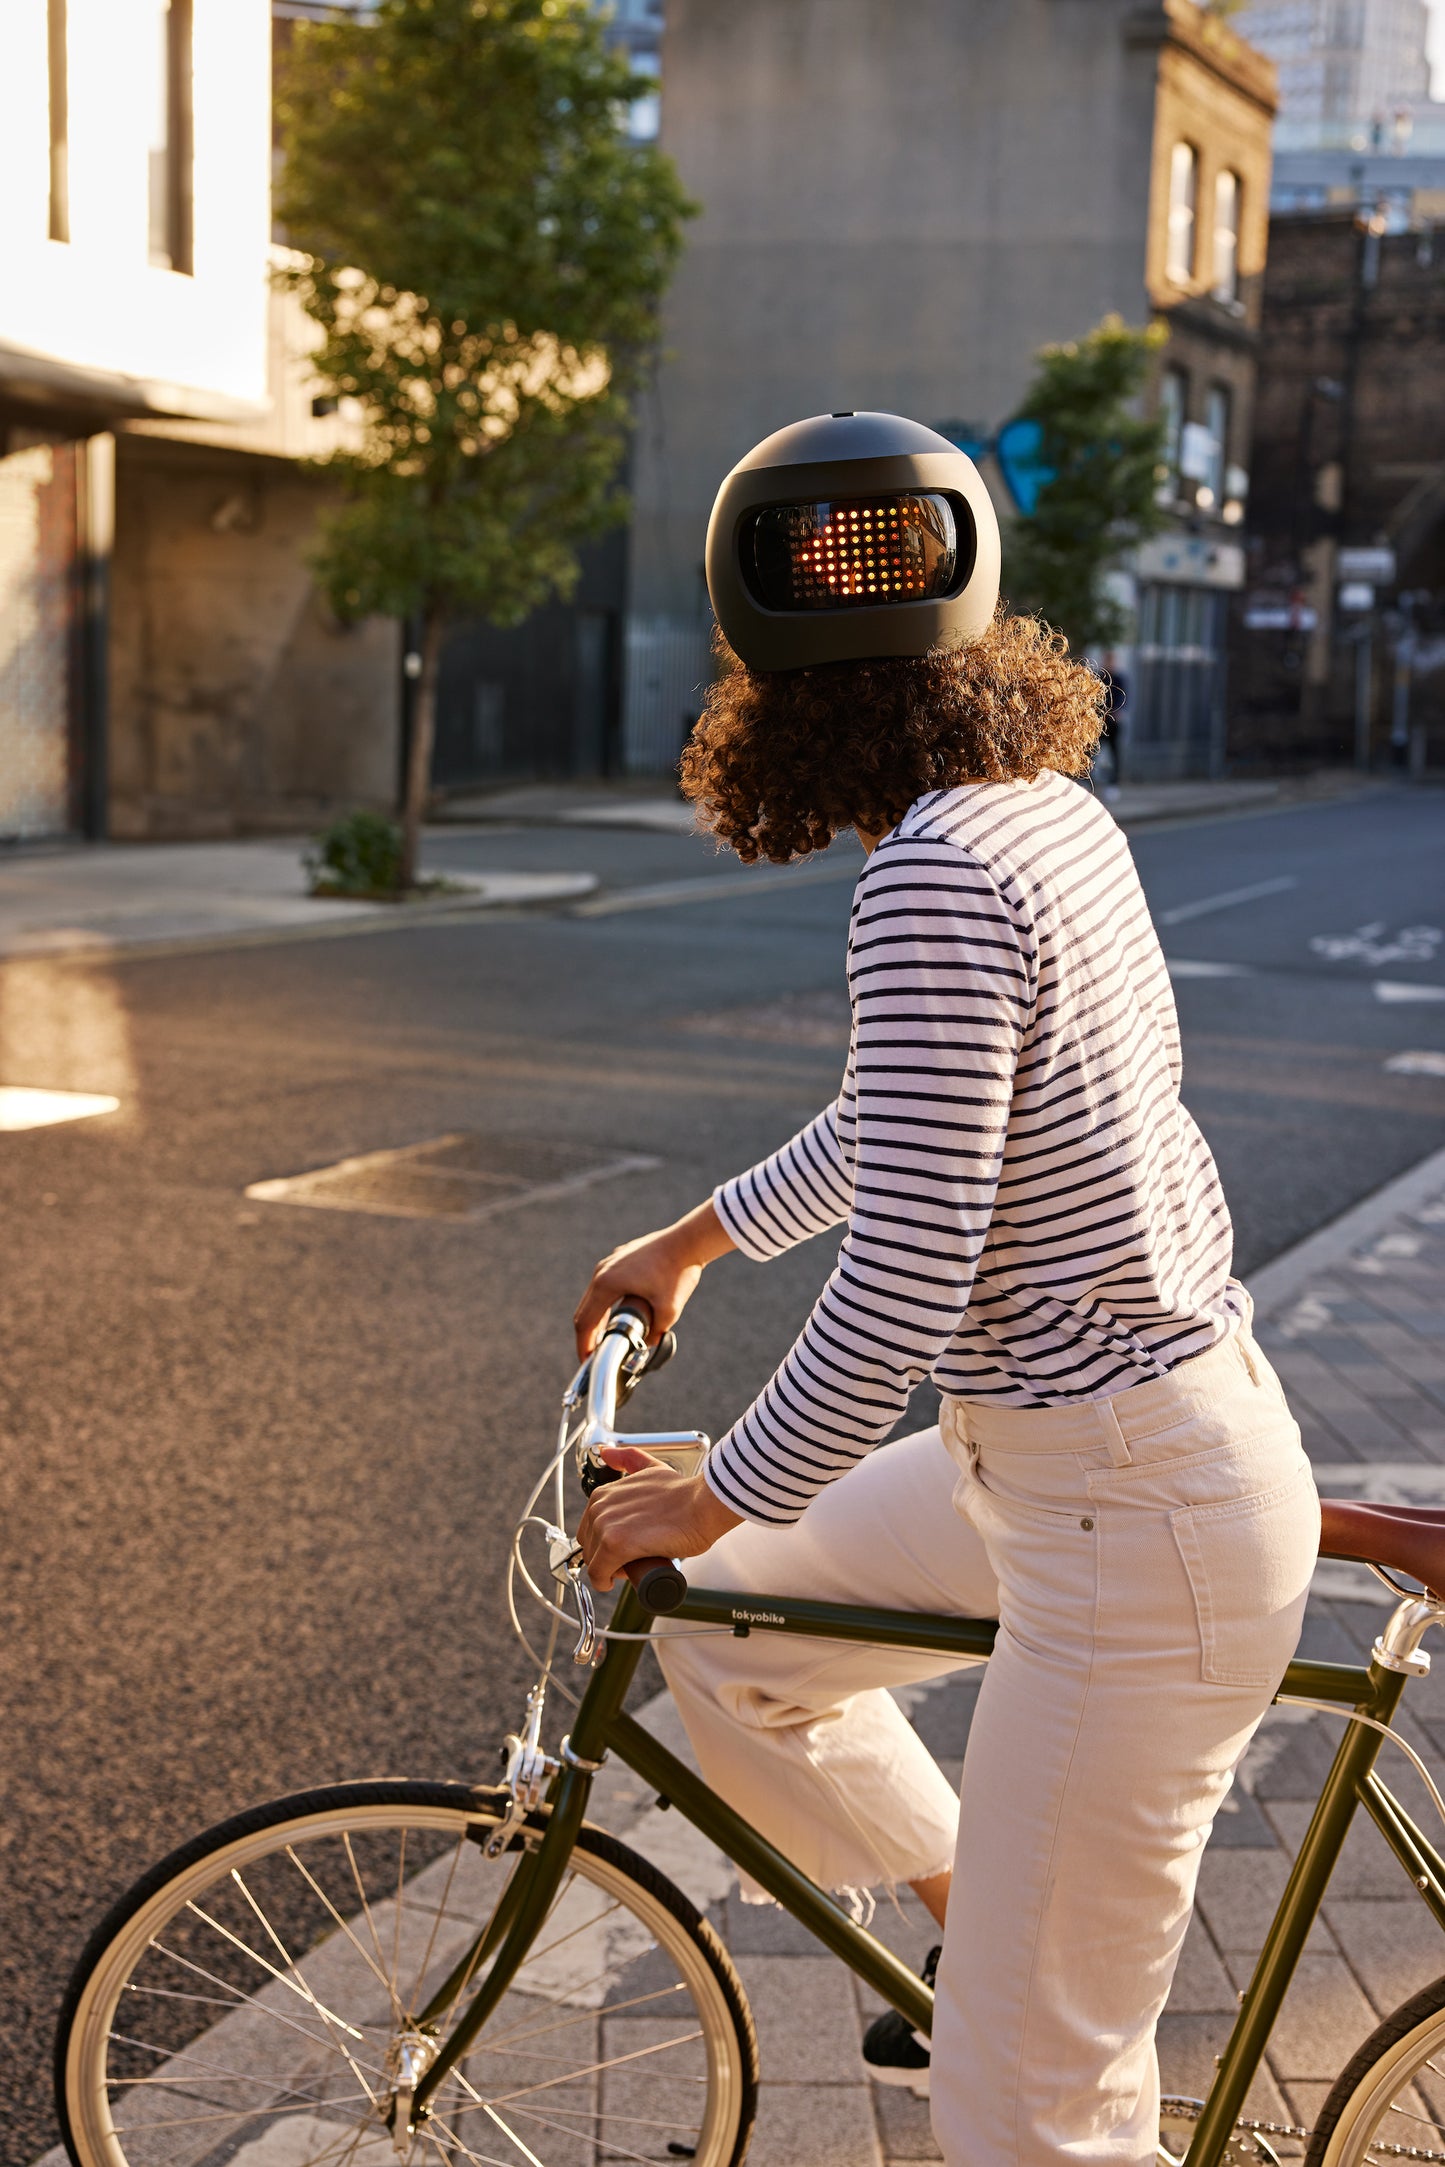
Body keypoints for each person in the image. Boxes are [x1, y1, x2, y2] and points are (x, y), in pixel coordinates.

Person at [574, 413, 1319, 2167]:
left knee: (1031, 2121)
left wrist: (713, 1486)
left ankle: (1008, 1983)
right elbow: (908, 1125)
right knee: (739, 1629)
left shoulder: (929, 872)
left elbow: (904, 1279)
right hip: (1079, 1469)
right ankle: (987, 1917)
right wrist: (699, 1236)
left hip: (1131, 1518)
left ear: (758, 662)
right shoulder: (1037, 810)